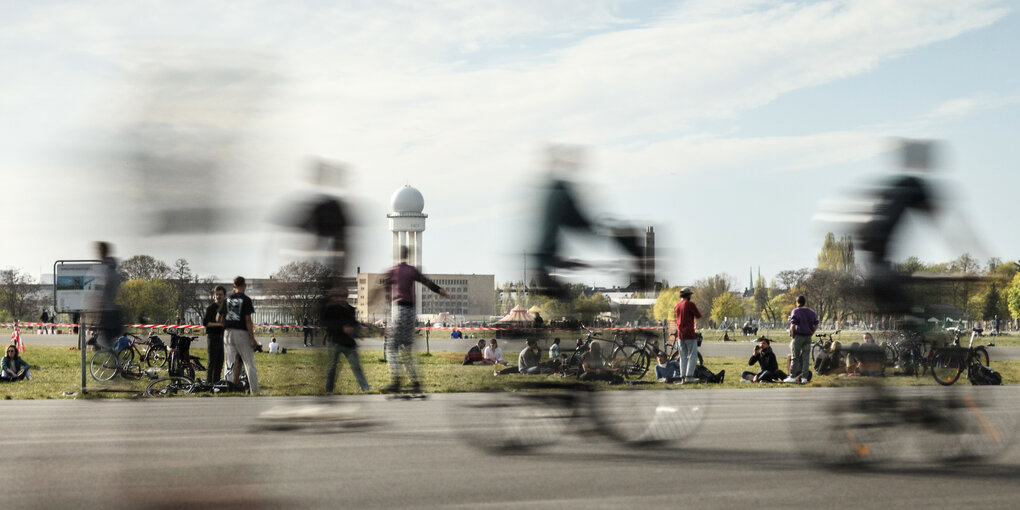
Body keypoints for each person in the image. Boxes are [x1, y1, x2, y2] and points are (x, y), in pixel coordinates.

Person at [382, 246, 448, 393]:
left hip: (399, 311)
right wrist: (440, 291)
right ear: (409, 255)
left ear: (397, 256)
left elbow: (386, 291)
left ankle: (396, 381)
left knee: (391, 347)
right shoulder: (412, 270)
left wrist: (387, 320)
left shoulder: (393, 271)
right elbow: (426, 282)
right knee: (406, 349)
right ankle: (416, 382)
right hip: (411, 313)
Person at [217, 276, 260, 394]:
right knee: (249, 362)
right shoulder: (246, 300)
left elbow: (218, 318)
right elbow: (247, 320)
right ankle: (254, 391)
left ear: (233, 286)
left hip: (227, 333)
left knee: (229, 362)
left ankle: (228, 387)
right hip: (241, 332)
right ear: (244, 286)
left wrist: (225, 325)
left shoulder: (227, 299)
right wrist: (252, 339)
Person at [322, 285, 369, 393]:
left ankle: (365, 388)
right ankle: (329, 389)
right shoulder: (331, 310)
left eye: (344, 296)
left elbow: (353, 323)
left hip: (349, 343)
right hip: (335, 342)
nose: (342, 298)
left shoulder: (351, 310)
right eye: (340, 296)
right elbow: (328, 324)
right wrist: (342, 328)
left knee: (357, 367)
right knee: (332, 368)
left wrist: (359, 330)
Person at [785, 295, 819, 384]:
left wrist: (792, 335)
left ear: (797, 302)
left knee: (795, 356)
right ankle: (804, 377)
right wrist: (812, 332)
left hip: (799, 335)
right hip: (808, 336)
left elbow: (793, 325)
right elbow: (816, 324)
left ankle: (792, 376)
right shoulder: (811, 312)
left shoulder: (796, 311)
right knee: (806, 358)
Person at [674, 287, 702, 384]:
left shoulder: (677, 305)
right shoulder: (690, 304)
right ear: (688, 295)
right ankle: (689, 376)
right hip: (689, 333)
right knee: (692, 355)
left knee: (683, 356)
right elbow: (698, 315)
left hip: (680, 334)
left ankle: (683, 377)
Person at [202, 285, 226, 383]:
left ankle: (216, 382)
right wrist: (219, 324)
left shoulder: (226, 308)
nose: (218, 297)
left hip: (223, 338)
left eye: (220, 295)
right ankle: (209, 383)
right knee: (212, 361)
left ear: (225, 295)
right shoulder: (210, 308)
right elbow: (205, 323)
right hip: (213, 337)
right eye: (217, 295)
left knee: (220, 362)